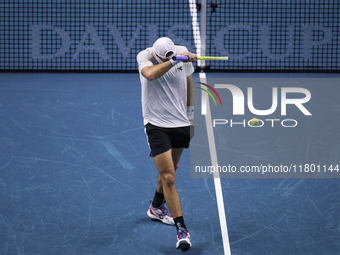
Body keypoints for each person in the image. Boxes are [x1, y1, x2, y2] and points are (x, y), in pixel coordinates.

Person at [137, 37, 198, 250]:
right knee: (169, 177)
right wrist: (176, 61)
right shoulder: (145, 57)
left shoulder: (181, 52)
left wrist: (190, 117)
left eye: (173, 55)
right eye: (167, 57)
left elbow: (189, 83)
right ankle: (183, 231)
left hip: (180, 122)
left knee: (173, 168)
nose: (171, 58)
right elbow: (151, 74)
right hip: (156, 125)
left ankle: (155, 207)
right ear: (157, 55)